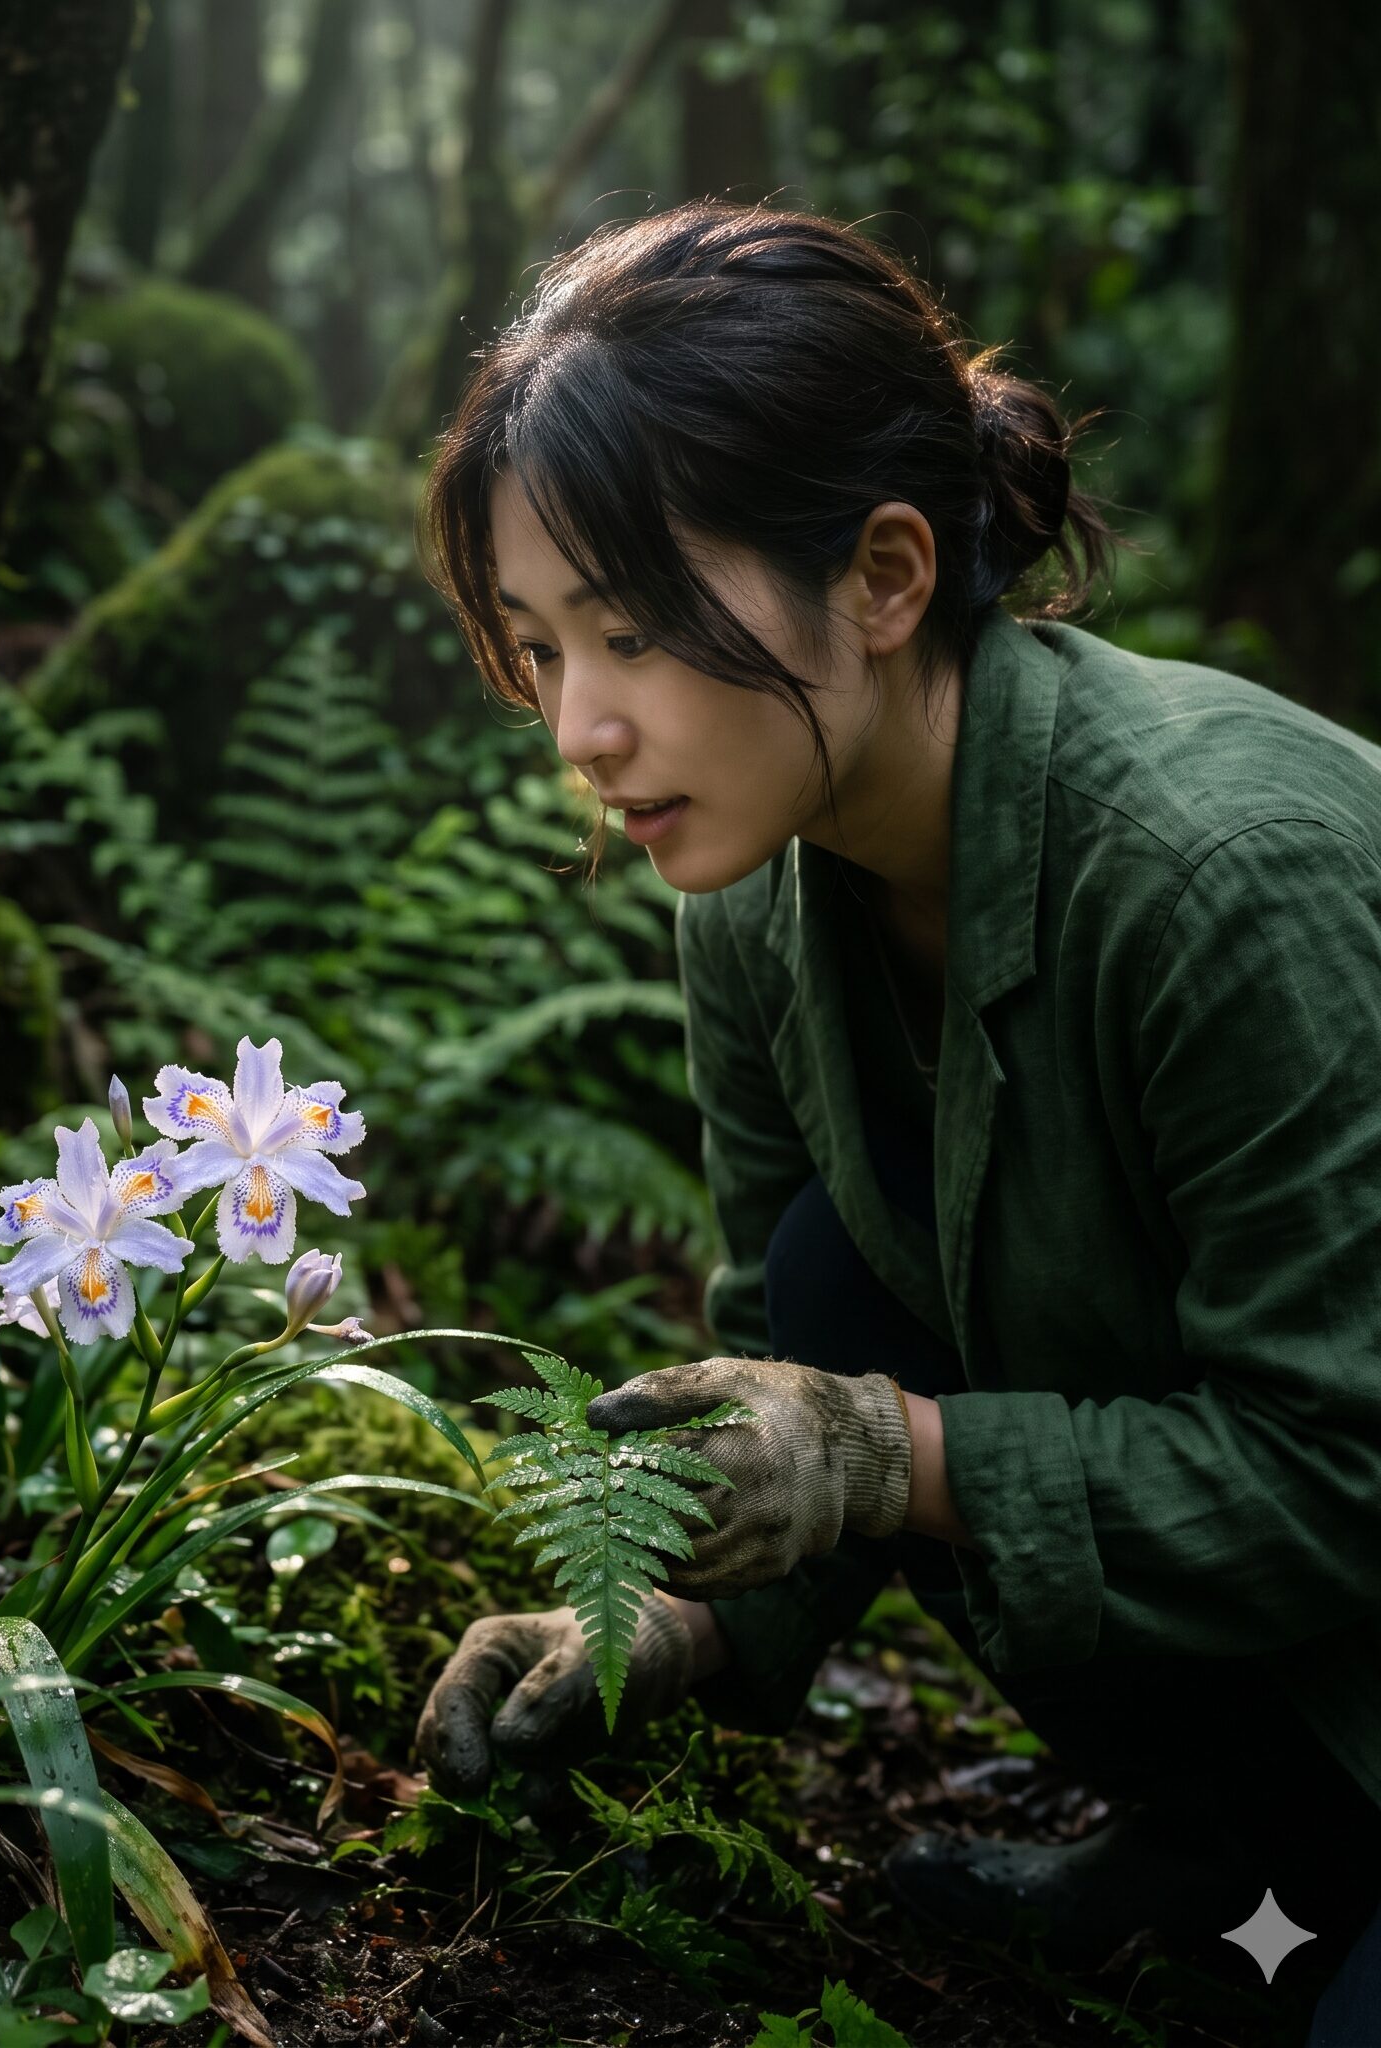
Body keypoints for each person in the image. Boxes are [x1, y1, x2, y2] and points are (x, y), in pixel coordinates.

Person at [408, 200, 1381, 2046]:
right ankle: (1239, 1854)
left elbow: (1350, 1464)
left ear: (885, 575)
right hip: (1284, 1674)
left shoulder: (1225, 880)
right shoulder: (750, 897)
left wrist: (890, 1458)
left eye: (635, 630)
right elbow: (801, 1356)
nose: (580, 734)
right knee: (821, 1268)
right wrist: (669, 1632)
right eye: (540, 649)